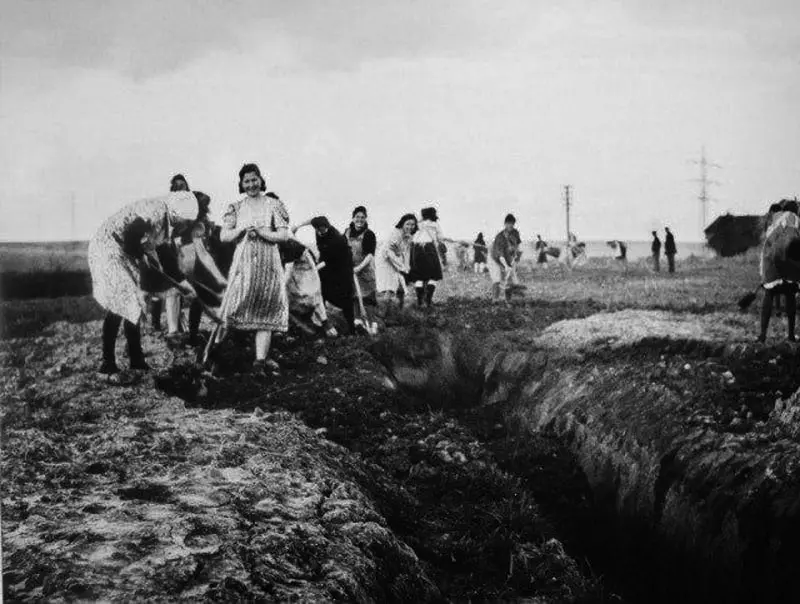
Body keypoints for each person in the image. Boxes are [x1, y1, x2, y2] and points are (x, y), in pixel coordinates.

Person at [88, 191, 202, 374]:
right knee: (122, 301)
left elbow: (167, 259)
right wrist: (141, 256)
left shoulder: (166, 225)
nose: (186, 227)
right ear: (177, 215)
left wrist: (185, 285)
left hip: (125, 251)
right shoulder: (155, 212)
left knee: (133, 305)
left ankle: (136, 360)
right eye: (185, 222)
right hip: (109, 248)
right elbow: (131, 236)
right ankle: (107, 363)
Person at [217, 163, 290, 373]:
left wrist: (262, 232)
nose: (251, 184)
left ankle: (259, 361)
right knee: (231, 306)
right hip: (244, 263)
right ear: (241, 183)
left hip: (268, 264)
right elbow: (224, 236)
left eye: (254, 179)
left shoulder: (273, 204)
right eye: (246, 181)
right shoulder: (236, 207)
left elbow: (283, 235)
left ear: (261, 179)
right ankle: (218, 355)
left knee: (266, 310)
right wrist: (240, 229)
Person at [294, 216, 357, 334]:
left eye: (322, 229)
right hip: (327, 264)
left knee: (345, 299)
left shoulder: (336, 239)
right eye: (317, 229)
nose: (319, 231)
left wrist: (311, 270)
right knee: (320, 292)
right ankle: (320, 323)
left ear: (327, 227)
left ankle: (352, 329)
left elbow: (328, 261)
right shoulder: (318, 230)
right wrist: (298, 226)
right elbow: (311, 220)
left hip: (342, 266)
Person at [758, 201, 800, 343]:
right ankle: (791, 336)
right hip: (789, 260)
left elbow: (767, 246)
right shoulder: (796, 219)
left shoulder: (774, 220)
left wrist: (764, 276)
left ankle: (763, 335)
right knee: (790, 294)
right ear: (795, 210)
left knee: (769, 293)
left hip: (772, 261)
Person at [281, 237, 336, 337]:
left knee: (311, 295)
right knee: (292, 296)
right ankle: (296, 325)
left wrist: (279, 288)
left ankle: (325, 324)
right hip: (296, 269)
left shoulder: (289, 245)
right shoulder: (278, 246)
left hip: (305, 268)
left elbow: (288, 272)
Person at [375, 213, 417, 315]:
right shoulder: (396, 233)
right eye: (407, 224)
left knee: (400, 287)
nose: (410, 227)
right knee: (390, 287)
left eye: (413, 224)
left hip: (396, 260)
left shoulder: (408, 237)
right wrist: (401, 266)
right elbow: (388, 253)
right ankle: (382, 314)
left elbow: (406, 252)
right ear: (402, 223)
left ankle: (398, 312)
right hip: (385, 261)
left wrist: (406, 266)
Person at [344, 205, 377, 329]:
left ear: (366, 219)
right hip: (351, 270)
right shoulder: (346, 232)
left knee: (368, 298)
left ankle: (372, 324)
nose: (360, 219)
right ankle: (358, 323)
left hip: (365, 270)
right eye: (357, 217)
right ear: (353, 218)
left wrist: (359, 268)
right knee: (354, 297)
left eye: (362, 217)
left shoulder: (369, 234)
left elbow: (370, 255)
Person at [409, 206, 444, 308]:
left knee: (418, 277)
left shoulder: (417, 224)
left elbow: (410, 236)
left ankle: (420, 301)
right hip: (429, 248)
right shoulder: (435, 225)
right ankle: (428, 300)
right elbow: (440, 238)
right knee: (433, 276)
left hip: (416, 250)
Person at [489, 214, 521, 304]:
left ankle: (508, 300)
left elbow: (517, 245)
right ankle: (495, 300)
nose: (510, 226)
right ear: (505, 224)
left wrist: (516, 258)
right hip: (495, 257)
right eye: (508, 224)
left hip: (507, 257)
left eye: (512, 224)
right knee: (497, 279)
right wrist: (506, 266)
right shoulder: (500, 237)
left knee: (509, 279)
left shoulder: (515, 233)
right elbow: (500, 255)